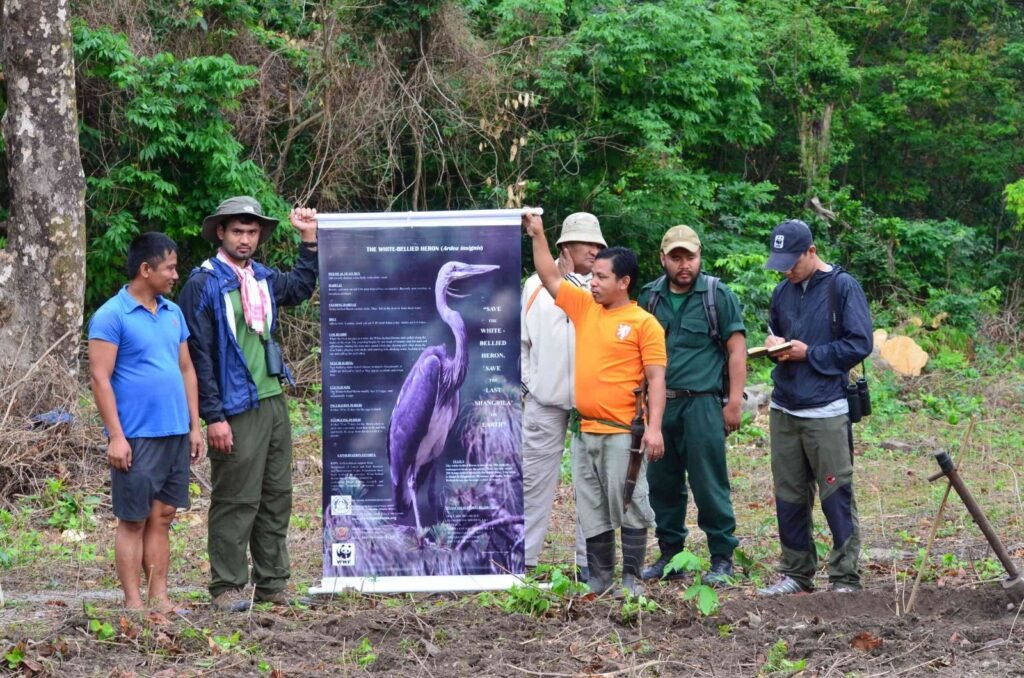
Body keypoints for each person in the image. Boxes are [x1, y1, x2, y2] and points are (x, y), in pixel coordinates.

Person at [178, 196, 319, 612]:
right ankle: (227, 586)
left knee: (277, 494)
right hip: (235, 406)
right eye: (237, 231)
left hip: (272, 399)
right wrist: (213, 416)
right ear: (220, 232)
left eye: (252, 232)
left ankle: (272, 582)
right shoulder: (203, 284)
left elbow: (298, 287)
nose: (245, 239)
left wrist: (309, 240)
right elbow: (197, 356)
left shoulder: (259, 276)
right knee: (236, 498)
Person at [522, 211, 666, 596]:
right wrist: (537, 233)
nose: (593, 283)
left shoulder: (643, 323)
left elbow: (656, 379)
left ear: (624, 282)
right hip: (585, 430)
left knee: (630, 502)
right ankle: (599, 577)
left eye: (601, 277)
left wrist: (653, 429)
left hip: (623, 431)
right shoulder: (585, 307)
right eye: (593, 275)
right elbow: (550, 277)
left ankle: (631, 580)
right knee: (591, 506)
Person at [88, 232, 205, 615]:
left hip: (174, 433)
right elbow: (100, 378)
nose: (175, 274)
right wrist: (116, 437)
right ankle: (134, 604)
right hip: (137, 436)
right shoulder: (111, 315)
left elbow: (186, 369)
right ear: (146, 269)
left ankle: (159, 599)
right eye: (169, 267)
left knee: (163, 517)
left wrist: (194, 426)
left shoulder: (173, 313)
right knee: (134, 520)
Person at [756, 219, 873, 596]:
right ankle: (796, 572)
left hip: (826, 409)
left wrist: (811, 354)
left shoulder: (842, 287)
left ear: (811, 251)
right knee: (789, 494)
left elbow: (859, 343)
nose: (787, 270)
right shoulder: (782, 292)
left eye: (792, 261)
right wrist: (775, 346)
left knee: (835, 493)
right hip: (785, 408)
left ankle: (844, 578)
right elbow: (777, 332)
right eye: (780, 263)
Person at [636, 225, 746, 586]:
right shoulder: (649, 297)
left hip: (702, 404)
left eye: (691, 257)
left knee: (709, 481)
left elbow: (736, 350)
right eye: (676, 257)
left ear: (700, 257)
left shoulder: (717, 296)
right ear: (663, 259)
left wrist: (733, 402)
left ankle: (721, 557)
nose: (684, 265)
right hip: (660, 406)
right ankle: (670, 555)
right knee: (662, 482)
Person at [521, 213, 607, 580]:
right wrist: (529, 387)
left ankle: (589, 563)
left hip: (592, 405)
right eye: (586, 243)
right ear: (564, 247)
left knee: (593, 484)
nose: (594, 250)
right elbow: (520, 344)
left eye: (598, 244)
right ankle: (522, 560)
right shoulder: (534, 287)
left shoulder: (604, 289)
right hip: (545, 401)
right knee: (532, 481)